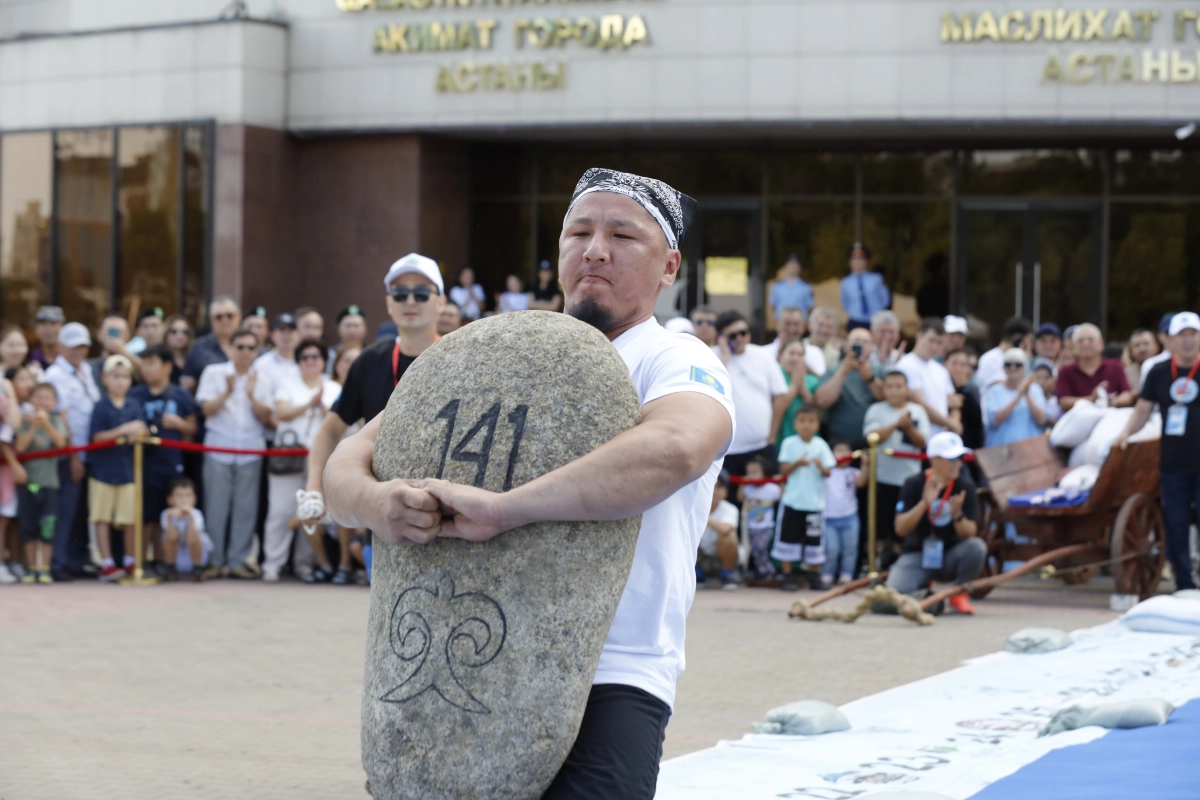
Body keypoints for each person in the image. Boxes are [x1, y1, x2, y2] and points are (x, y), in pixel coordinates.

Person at [322, 168, 734, 797]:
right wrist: (377, 502)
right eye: (579, 232)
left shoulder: (677, 359)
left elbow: (675, 449)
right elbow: (350, 459)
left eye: (623, 235)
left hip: (614, 670)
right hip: (449, 656)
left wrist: (509, 509)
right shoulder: (490, 351)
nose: (596, 248)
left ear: (669, 266)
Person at [300, 253, 446, 537]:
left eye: (421, 293)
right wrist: (313, 488)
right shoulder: (369, 361)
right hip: (379, 524)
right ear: (388, 303)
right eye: (400, 294)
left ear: (441, 302)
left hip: (443, 520)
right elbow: (329, 431)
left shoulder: (459, 357)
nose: (411, 301)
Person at [1117, 311, 1200, 591]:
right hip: (1174, 461)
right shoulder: (1159, 371)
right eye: (1182, 335)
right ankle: (1184, 583)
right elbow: (1143, 409)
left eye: (1193, 334)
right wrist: (1126, 433)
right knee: (1175, 522)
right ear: (1169, 339)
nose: (1188, 341)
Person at [195, 328, 272, 579]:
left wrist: (250, 394)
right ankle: (215, 561)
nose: (245, 352)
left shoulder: (263, 377)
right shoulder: (214, 373)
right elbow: (206, 409)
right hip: (218, 448)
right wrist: (227, 392)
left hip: (251, 449)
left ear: (256, 351)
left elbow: (267, 417)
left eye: (251, 348)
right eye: (240, 347)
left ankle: (238, 562)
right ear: (231, 348)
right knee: (216, 508)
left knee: (246, 509)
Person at [265, 339, 341, 584]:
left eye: (315, 356)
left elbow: (340, 421)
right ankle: (272, 564)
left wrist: (323, 408)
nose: (310, 361)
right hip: (289, 456)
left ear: (323, 361)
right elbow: (282, 413)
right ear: (298, 362)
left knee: (313, 510)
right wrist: (310, 403)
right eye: (305, 357)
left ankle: (305, 565)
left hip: (320, 458)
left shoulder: (333, 387)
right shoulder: (287, 384)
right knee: (280, 511)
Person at [887, 431, 985, 615]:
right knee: (896, 594)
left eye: (959, 458)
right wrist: (924, 503)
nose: (957, 463)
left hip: (950, 555)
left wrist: (958, 516)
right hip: (918, 554)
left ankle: (959, 594)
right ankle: (925, 591)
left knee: (976, 547)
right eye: (951, 459)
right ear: (934, 459)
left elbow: (970, 533)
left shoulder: (966, 486)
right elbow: (900, 529)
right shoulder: (913, 484)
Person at [129, 345, 197, 574]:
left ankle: (163, 561)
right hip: (142, 465)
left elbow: (193, 428)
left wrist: (180, 424)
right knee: (145, 516)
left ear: (168, 366)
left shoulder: (179, 394)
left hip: (170, 464)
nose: (146, 368)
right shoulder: (135, 394)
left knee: (165, 515)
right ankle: (142, 561)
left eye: (151, 363)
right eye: (144, 363)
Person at [43, 321, 100, 581]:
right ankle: (59, 562)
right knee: (66, 509)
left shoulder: (87, 370)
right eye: (74, 346)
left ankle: (77, 560)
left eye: (83, 346)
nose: (79, 351)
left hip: (91, 452)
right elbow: (62, 417)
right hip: (69, 454)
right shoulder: (55, 374)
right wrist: (74, 455)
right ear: (62, 346)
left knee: (81, 511)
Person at [88, 355, 148, 581]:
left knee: (129, 518)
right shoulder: (100, 406)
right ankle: (107, 562)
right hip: (103, 471)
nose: (121, 382)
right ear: (105, 379)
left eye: (125, 377)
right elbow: (97, 437)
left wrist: (139, 432)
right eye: (116, 377)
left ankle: (131, 560)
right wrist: (124, 429)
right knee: (102, 518)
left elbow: (143, 430)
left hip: (128, 471)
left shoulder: (134, 405)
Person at [863, 372, 930, 568]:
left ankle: (902, 566)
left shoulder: (917, 411)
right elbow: (871, 437)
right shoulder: (876, 410)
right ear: (883, 390)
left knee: (905, 529)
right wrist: (895, 425)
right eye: (889, 386)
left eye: (898, 386)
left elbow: (922, 443)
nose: (894, 390)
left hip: (909, 479)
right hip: (881, 478)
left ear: (907, 390)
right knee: (877, 527)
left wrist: (908, 428)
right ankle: (871, 566)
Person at [715, 309, 787, 477]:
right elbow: (710, 389)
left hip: (761, 447)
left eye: (743, 332)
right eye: (733, 335)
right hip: (727, 451)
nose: (740, 338)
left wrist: (772, 437)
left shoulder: (763, 356)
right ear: (722, 338)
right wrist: (726, 356)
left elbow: (780, 397)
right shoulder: (712, 356)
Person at [772, 405, 835, 591]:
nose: (806, 425)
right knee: (788, 538)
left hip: (814, 503)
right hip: (793, 500)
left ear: (817, 425)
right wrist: (797, 464)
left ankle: (814, 576)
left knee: (814, 540)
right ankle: (787, 575)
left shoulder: (820, 445)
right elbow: (783, 470)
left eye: (811, 421)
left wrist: (820, 466)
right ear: (795, 424)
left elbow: (829, 472)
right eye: (802, 421)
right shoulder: (789, 443)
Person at [14, 382, 67, 583]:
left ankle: (44, 568)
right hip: (28, 483)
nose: (42, 401)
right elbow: (20, 446)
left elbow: (61, 443)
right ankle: (31, 567)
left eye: (47, 398)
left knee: (48, 525)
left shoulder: (56, 420)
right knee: (27, 524)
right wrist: (35, 424)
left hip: (49, 483)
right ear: (31, 399)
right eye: (39, 397)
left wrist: (46, 424)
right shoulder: (24, 421)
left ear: (54, 402)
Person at [813, 326, 882, 450]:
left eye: (865, 342)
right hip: (840, 446)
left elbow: (889, 398)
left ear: (872, 347)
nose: (860, 345)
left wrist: (870, 379)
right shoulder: (831, 371)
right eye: (856, 341)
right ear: (846, 346)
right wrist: (843, 372)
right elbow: (822, 401)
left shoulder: (879, 370)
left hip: (873, 445)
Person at [896, 318, 958, 436]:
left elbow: (955, 402)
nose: (935, 346)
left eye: (940, 343)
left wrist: (955, 421)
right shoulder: (905, 365)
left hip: (942, 435)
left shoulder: (941, 370)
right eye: (931, 340)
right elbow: (920, 404)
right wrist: (951, 423)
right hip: (919, 436)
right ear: (919, 336)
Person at [1056, 323, 1134, 411]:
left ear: (1101, 343)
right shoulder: (1065, 371)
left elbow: (1127, 394)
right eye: (1080, 340)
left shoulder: (1116, 366)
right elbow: (1063, 402)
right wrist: (1093, 399)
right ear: (1073, 346)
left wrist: (1114, 401)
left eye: (1091, 340)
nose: (1085, 344)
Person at [822, 439, 867, 588]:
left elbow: (861, 482)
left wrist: (865, 464)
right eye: (839, 450)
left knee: (850, 547)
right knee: (831, 548)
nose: (843, 454)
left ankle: (846, 574)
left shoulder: (852, 472)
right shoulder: (826, 472)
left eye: (846, 451)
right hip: (829, 518)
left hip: (850, 516)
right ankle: (828, 573)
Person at [984, 348, 1048, 447]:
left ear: (1025, 368)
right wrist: (1018, 396)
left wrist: (1027, 394)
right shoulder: (994, 391)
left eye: (1018, 365)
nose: (1012, 368)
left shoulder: (1035, 389)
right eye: (1008, 364)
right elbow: (995, 421)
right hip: (1001, 450)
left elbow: (1041, 419)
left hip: (1030, 449)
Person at [182, 296, 241, 394]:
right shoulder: (198, 348)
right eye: (219, 317)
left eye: (230, 315)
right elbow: (187, 383)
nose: (225, 320)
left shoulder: (250, 345)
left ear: (239, 316)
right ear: (211, 320)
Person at [738, 456, 781, 581]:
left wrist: (780, 482)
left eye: (755, 472)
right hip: (751, 526)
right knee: (755, 550)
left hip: (766, 526)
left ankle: (768, 570)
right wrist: (742, 484)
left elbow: (781, 497)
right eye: (749, 473)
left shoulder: (772, 488)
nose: (751, 475)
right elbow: (740, 498)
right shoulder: (748, 488)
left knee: (761, 547)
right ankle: (762, 571)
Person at [161, 477, 212, 581]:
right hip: (177, 557)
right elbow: (172, 537)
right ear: (170, 499)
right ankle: (170, 567)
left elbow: (192, 539)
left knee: (199, 537)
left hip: (193, 557)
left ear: (194, 499)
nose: (183, 499)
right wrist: (171, 519)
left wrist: (190, 517)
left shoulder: (196, 514)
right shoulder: (167, 514)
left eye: (187, 496)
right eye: (179, 496)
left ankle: (198, 568)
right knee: (166, 537)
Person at [774, 338, 819, 453]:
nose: (796, 358)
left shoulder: (813, 381)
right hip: (781, 440)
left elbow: (820, 414)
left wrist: (805, 392)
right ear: (781, 356)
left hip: (809, 443)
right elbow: (776, 410)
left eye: (800, 354)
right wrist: (794, 386)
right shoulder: (774, 378)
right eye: (791, 353)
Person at [697, 471, 739, 590]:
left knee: (729, 537)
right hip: (699, 557)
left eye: (719, 487)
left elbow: (725, 529)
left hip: (719, 557)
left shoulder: (730, 509)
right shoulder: (693, 506)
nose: (714, 490)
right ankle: (696, 574)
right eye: (711, 485)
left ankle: (727, 575)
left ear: (726, 492)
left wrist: (704, 516)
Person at [253, 313, 302, 413]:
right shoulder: (261, 364)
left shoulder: (307, 362)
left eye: (291, 331)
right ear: (272, 335)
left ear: (299, 335)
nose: (287, 335)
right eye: (282, 331)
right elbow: (258, 399)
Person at [840, 243, 890, 330]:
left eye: (861, 259)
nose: (858, 262)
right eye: (855, 259)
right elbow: (845, 303)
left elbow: (884, 300)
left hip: (875, 321)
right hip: (855, 320)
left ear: (866, 261)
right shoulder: (845, 282)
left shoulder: (876, 279)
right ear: (850, 261)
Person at [88, 315, 143, 395]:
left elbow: (149, 375)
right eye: (111, 331)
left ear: (128, 336)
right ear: (99, 335)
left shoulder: (133, 365)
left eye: (120, 332)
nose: (115, 337)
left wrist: (122, 351)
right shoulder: (88, 366)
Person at [977, 317, 1033, 391]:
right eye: (1029, 341)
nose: (1031, 346)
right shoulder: (990, 359)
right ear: (1018, 338)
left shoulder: (1022, 359)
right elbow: (1006, 387)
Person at [763, 306, 824, 375]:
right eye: (787, 323)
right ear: (777, 324)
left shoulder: (814, 352)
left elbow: (822, 381)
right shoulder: (763, 353)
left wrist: (805, 367)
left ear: (803, 327)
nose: (792, 329)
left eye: (796, 324)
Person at [945, 349, 984, 451]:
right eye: (954, 363)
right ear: (945, 364)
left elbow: (977, 417)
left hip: (967, 448)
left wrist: (962, 387)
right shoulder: (938, 387)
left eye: (962, 365)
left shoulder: (973, 390)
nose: (958, 368)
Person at [769, 254, 815, 323]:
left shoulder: (806, 287)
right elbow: (773, 306)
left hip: (800, 323)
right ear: (785, 266)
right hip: (782, 323)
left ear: (799, 267)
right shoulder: (777, 287)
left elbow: (810, 307)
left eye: (795, 265)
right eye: (790, 265)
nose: (792, 267)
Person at [1139, 313, 1176, 389]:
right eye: (1169, 333)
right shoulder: (1151, 364)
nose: (1174, 337)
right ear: (1160, 336)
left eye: (1179, 333)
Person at [330, 305, 368, 373]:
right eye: (348, 326)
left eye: (356, 326)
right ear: (338, 329)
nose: (352, 331)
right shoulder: (330, 354)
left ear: (365, 329)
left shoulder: (370, 353)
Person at [805, 307, 841, 372]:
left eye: (829, 327)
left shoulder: (836, 355)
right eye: (820, 325)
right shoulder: (798, 346)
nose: (824, 330)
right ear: (810, 324)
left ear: (835, 331)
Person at [29, 305, 65, 370]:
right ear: (36, 329)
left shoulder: (69, 356)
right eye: (44, 324)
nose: (48, 330)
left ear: (62, 327)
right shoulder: (30, 357)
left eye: (53, 324)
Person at [1031, 358, 1062, 425]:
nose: (1042, 382)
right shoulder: (1028, 400)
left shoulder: (1058, 402)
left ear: (1054, 381)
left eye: (1046, 378)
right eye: (1038, 377)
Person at [164, 315, 192, 384]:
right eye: (174, 331)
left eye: (185, 332)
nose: (180, 336)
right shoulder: (160, 358)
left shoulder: (195, 358)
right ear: (165, 334)